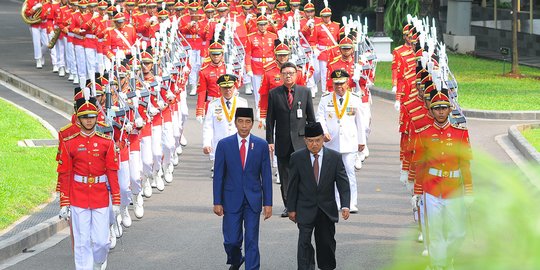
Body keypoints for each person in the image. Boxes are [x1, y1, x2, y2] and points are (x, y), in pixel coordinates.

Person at [411, 88, 473, 270]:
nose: (440, 112)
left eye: (443, 108)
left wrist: (469, 191)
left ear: (449, 109)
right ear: (431, 110)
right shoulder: (423, 132)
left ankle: (447, 257)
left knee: (458, 233)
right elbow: (420, 165)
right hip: (431, 189)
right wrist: (417, 192)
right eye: (436, 108)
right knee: (435, 232)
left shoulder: (460, 132)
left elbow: (465, 165)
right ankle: (438, 264)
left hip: (454, 189)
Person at [57, 96, 120, 270]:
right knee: (81, 241)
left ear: (97, 117)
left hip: (100, 196)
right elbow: (65, 174)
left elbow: (112, 172)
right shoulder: (70, 143)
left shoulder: (106, 142)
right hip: (78, 196)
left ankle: (98, 261)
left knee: (101, 241)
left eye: (92, 116)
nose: (89, 120)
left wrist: (115, 201)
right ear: (79, 118)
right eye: (85, 117)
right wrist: (64, 202)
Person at [213, 107, 273, 270]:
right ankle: (236, 258)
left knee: (252, 239)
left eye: (248, 122)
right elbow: (218, 175)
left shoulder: (261, 145)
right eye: (241, 121)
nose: (244, 126)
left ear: (252, 124)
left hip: (253, 200)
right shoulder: (224, 145)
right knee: (231, 240)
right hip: (231, 199)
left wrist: (268, 203)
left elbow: (266, 176)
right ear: (235, 122)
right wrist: (217, 201)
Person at [287, 122, 350, 270]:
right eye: (310, 141)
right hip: (304, 208)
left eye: (317, 140)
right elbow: (292, 186)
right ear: (305, 141)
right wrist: (291, 208)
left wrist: (345, 204)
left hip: (326, 210)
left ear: (323, 139)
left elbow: (343, 183)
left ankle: (326, 266)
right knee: (304, 243)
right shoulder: (297, 158)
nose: (314, 144)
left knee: (326, 243)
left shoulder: (334, 157)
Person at [265, 61, 315, 218]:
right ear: (281, 75)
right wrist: (270, 141)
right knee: (285, 176)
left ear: (296, 75)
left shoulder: (305, 92)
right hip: (283, 141)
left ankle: (303, 203)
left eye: (291, 73)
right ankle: (288, 205)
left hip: (301, 142)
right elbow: (270, 120)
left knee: (303, 174)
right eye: (285, 73)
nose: (288, 76)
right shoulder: (274, 94)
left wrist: (313, 140)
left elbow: (311, 119)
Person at [317, 70, 365, 213]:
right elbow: (320, 117)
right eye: (336, 84)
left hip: (349, 142)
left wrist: (362, 141)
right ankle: (335, 201)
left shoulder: (355, 98)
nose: (339, 87)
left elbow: (361, 122)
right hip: (331, 142)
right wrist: (323, 132)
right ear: (332, 84)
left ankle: (351, 202)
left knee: (349, 172)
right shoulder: (326, 99)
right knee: (331, 174)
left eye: (342, 83)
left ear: (347, 83)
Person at [203, 74, 248, 162]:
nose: (228, 90)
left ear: (234, 88)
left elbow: (246, 126)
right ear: (219, 89)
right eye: (224, 88)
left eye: (230, 87)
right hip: (220, 145)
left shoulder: (242, 103)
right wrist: (206, 143)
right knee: (220, 174)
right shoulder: (213, 105)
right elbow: (208, 127)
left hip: (237, 144)